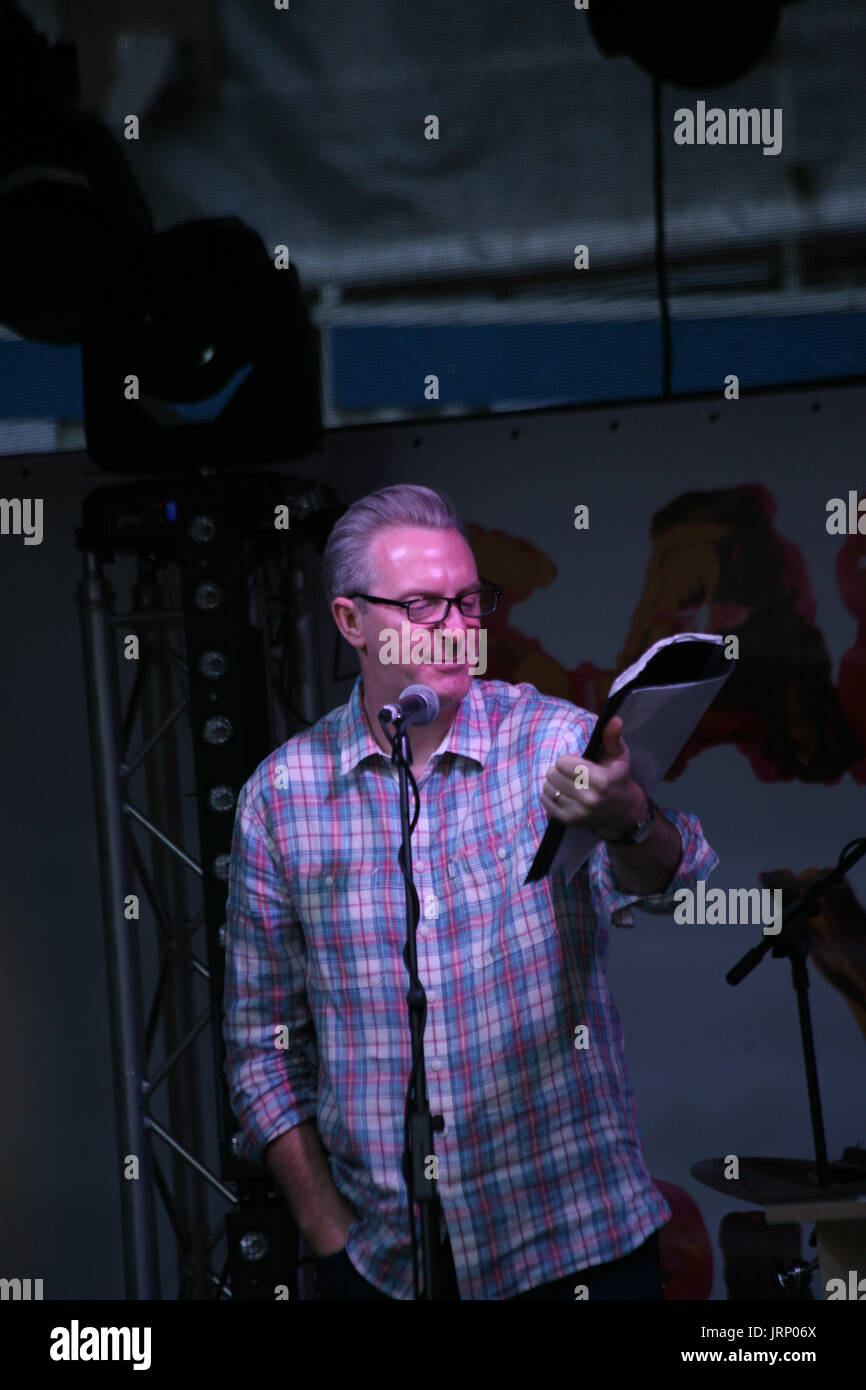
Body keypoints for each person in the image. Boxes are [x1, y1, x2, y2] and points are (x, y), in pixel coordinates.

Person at [223, 483, 718, 1300]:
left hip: (575, 1248)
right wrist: (328, 1236)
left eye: (469, 602)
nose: (458, 632)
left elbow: (676, 879)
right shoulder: (283, 799)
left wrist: (630, 818)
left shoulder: (551, 743)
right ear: (352, 623)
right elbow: (260, 1049)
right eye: (423, 607)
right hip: (388, 1264)